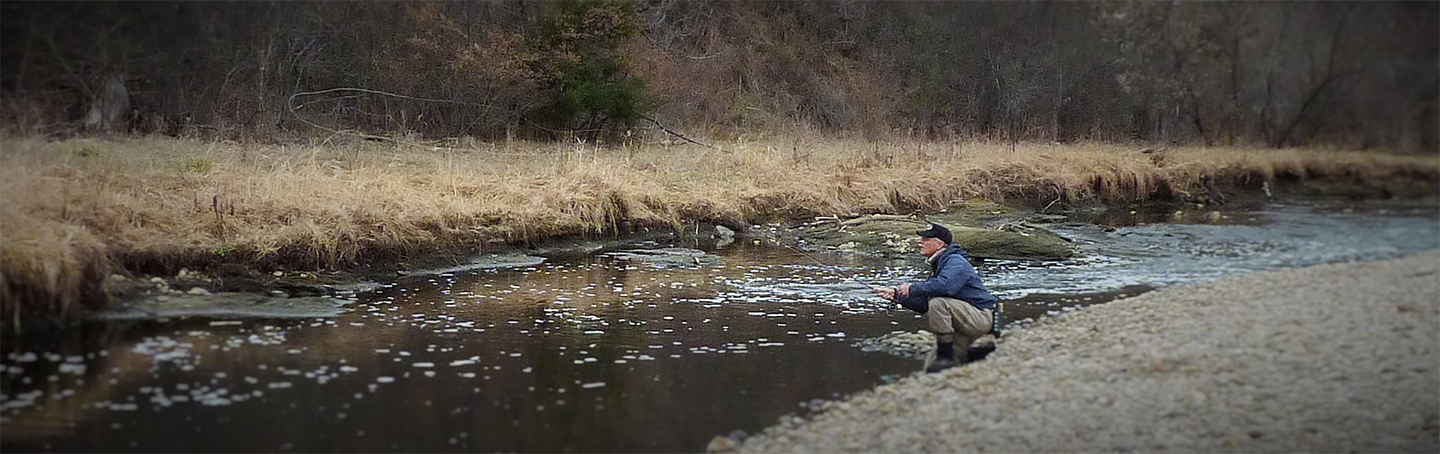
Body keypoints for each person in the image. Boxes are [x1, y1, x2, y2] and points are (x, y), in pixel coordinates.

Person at [874, 223, 998, 373]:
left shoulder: (955, 261)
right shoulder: (940, 265)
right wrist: (896, 296)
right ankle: (977, 354)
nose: (921, 242)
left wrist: (912, 288)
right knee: (932, 367)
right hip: (966, 324)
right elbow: (925, 306)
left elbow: (946, 287)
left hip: (981, 318)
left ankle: (946, 357)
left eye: (926, 239)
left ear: (939, 244)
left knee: (939, 303)